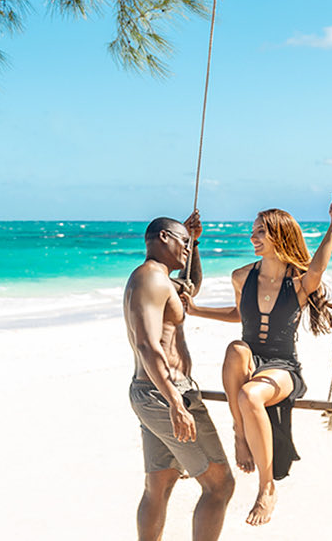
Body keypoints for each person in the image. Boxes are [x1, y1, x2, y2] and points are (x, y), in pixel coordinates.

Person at [183, 192, 332, 527]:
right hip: (249, 360)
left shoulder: (299, 281)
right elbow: (239, 314)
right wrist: (197, 309)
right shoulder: (242, 276)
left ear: (278, 236)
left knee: (249, 394)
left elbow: (319, 264)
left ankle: (267, 487)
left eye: (260, 232)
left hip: (284, 367)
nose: (252, 237)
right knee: (236, 348)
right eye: (253, 231)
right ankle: (240, 434)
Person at [123, 211, 235, 541]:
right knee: (219, 485)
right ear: (163, 238)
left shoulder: (158, 279)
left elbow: (190, 290)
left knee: (160, 482)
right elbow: (147, 344)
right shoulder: (151, 279)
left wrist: (195, 243)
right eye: (183, 242)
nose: (186, 249)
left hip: (151, 391)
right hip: (165, 393)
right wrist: (175, 401)